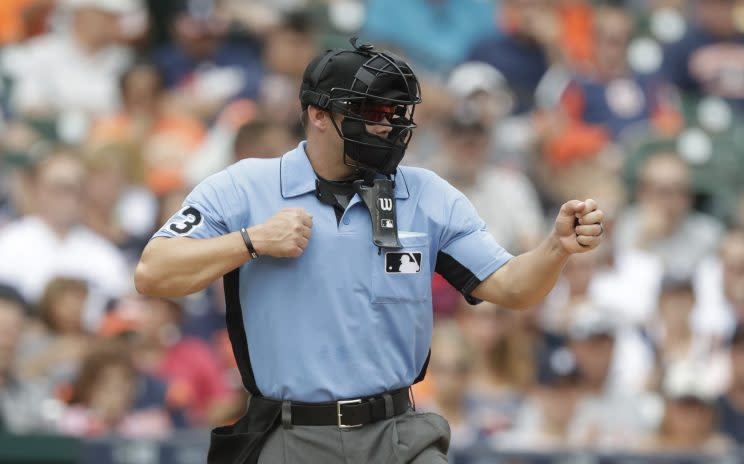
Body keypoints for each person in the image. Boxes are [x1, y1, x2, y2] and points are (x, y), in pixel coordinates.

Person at [135, 39, 605, 464]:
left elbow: (513, 288)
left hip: (397, 435)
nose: (389, 126)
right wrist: (250, 241)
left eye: (396, 113)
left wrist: (555, 248)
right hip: (292, 435)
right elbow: (153, 272)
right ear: (319, 114)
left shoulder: (427, 194)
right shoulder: (243, 187)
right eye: (373, 112)